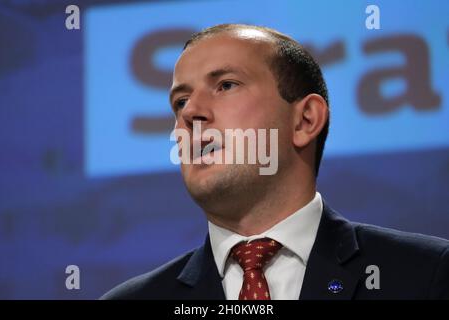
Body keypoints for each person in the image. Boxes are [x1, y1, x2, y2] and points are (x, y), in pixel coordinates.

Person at [101, 24, 449, 300]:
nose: (191, 112)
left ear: (305, 121)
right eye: (180, 102)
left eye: (225, 85)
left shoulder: (425, 275)